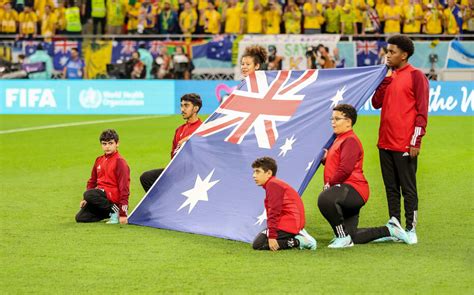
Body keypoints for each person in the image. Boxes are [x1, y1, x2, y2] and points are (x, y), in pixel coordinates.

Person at [317, 104, 409, 248]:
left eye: (337, 119)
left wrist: (329, 184)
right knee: (354, 236)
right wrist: (325, 159)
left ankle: (342, 237)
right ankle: (391, 229)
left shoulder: (350, 140)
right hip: (347, 191)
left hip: (353, 189)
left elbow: (345, 170)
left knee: (325, 199)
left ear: (348, 121)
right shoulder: (340, 139)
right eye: (332, 118)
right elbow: (337, 163)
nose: (333, 122)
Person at [372, 35, 429, 245]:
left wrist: (416, 141)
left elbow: (422, 113)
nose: (388, 55)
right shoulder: (388, 76)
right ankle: (394, 226)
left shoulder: (416, 76)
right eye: (387, 51)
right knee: (391, 187)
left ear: (404, 55)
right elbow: (376, 103)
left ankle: (411, 229)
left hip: (404, 143)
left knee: (408, 187)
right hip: (384, 142)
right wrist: (385, 78)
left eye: (392, 52)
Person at [140, 93, 203, 192]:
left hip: (191, 173)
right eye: (181, 105)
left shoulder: (202, 129)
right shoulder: (179, 130)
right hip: (175, 171)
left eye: (186, 106)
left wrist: (191, 139)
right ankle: (161, 205)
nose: (182, 109)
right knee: (146, 177)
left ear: (195, 109)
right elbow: (173, 154)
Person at [251, 157, 317, 251]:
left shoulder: (273, 184)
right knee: (260, 242)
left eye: (257, 172)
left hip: (290, 222)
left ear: (269, 173)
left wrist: (272, 236)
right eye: (254, 172)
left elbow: (274, 211)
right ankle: (297, 235)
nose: (254, 175)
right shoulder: (273, 183)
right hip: (289, 222)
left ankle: (300, 241)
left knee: (259, 244)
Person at [75, 129, 130, 225]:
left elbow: (124, 188)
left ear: (117, 144)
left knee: (89, 194)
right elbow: (92, 181)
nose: (107, 147)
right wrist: (85, 200)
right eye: (104, 144)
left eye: (110, 143)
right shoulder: (99, 160)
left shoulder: (120, 162)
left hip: (113, 199)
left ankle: (115, 211)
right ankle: (109, 213)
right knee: (81, 217)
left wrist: (123, 213)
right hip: (102, 199)